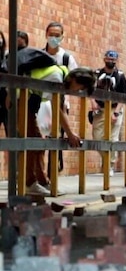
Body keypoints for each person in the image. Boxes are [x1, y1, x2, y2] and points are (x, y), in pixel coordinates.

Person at [24, 65, 97, 195]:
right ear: (75, 80)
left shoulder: (61, 77)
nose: (77, 91)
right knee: (34, 143)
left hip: (27, 101)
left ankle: (42, 182)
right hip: (21, 98)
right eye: (80, 88)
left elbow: (60, 106)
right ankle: (30, 183)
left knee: (37, 143)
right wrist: (70, 134)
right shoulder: (57, 77)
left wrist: (68, 133)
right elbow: (56, 107)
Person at [44, 21, 78, 174]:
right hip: (41, 103)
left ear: (62, 37)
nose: (53, 38)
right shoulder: (40, 55)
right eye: (51, 34)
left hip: (60, 104)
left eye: (57, 35)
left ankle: (52, 174)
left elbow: (76, 80)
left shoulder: (66, 58)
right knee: (39, 138)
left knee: (56, 139)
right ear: (46, 35)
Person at [91, 50, 126, 177]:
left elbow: (124, 95)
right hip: (100, 109)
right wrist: (92, 102)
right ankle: (106, 160)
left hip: (115, 108)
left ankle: (109, 165)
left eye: (113, 60)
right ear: (104, 59)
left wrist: (117, 112)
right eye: (109, 59)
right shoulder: (97, 74)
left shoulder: (120, 75)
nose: (111, 62)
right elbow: (89, 89)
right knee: (97, 136)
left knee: (113, 138)